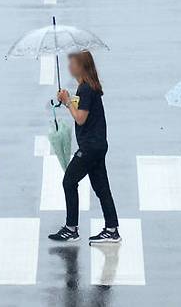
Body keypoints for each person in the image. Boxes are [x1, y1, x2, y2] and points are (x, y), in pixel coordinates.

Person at [48, 51, 120, 244]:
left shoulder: (86, 89)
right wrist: (69, 100)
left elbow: (80, 119)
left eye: (73, 63)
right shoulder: (87, 87)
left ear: (82, 66)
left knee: (69, 181)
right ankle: (112, 229)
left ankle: (71, 228)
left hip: (90, 147)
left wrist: (67, 101)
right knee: (101, 188)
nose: (69, 66)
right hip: (97, 145)